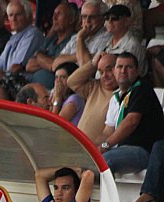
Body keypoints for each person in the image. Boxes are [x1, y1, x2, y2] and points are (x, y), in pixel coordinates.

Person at [99, 52, 164, 180]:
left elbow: (131, 121)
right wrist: (88, 148)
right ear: (114, 71)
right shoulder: (117, 96)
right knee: (90, 161)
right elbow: (107, 132)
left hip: (144, 151)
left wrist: (105, 146)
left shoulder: (142, 88)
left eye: (128, 67)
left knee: (104, 161)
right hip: (123, 150)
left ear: (137, 71)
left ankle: (108, 200)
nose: (123, 71)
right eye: (119, 67)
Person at [26, 1, 78, 90]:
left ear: (71, 19)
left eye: (59, 14)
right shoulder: (51, 39)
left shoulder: (74, 40)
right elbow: (29, 65)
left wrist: (38, 55)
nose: (54, 18)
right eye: (54, 14)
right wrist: (46, 62)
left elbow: (53, 66)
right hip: (30, 84)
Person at [67, 52, 118, 141]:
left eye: (109, 70)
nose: (104, 76)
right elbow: (72, 82)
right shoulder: (95, 86)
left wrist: (102, 147)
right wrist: (93, 64)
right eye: (101, 72)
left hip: (98, 150)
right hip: (78, 145)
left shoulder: (123, 94)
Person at [53, 0, 111, 69]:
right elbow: (55, 64)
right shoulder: (76, 37)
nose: (87, 21)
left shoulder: (107, 37)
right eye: (84, 16)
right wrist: (81, 56)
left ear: (102, 19)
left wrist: (80, 39)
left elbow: (86, 67)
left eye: (92, 17)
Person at [101, 5, 145, 76]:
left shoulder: (131, 45)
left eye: (114, 19)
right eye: (107, 18)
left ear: (126, 21)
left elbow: (126, 75)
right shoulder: (106, 42)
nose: (109, 21)